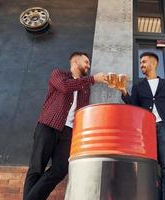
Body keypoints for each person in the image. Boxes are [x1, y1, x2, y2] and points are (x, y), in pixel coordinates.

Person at [23, 52, 107, 200]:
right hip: (48, 125)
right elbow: (65, 87)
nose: (88, 65)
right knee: (36, 168)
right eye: (86, 62)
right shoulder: (59, 75)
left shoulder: (85, 87)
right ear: (75, 61)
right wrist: (93, 79)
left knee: (61, 169)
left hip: (69, 132)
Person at [117, 52, 165, 200]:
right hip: (146, 130)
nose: (141, 65)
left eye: (144, 62)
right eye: (140, 62)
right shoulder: (138, 87)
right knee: (150, 166)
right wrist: (124, 91)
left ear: (154, 63)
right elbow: (134, 107)